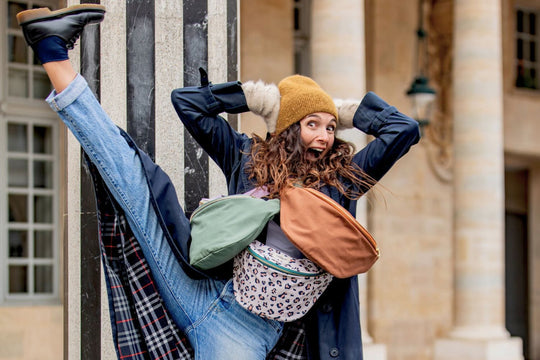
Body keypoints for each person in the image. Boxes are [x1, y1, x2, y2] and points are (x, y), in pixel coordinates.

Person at [17, 5, 420, 360]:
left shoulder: (340, 183)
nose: (325, 136)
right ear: (287, 126)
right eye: (312, 124)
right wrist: (255, 98)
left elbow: (402, 130)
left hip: (247, 332)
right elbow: (187, 103)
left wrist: (347, 111)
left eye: (332, 128)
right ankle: (52, 49)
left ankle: (51, 51)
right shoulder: (247, 157)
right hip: (200, 290)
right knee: (130, 178)